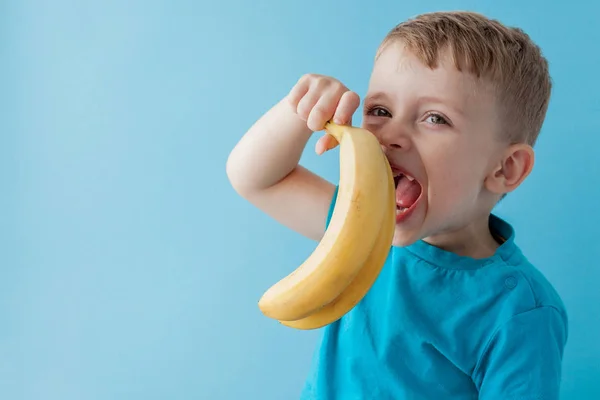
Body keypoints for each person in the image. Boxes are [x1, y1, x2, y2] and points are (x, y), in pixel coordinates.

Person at [226, 10, 568, 400]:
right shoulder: (362, 227)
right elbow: (255, 179)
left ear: (504, 169)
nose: (391, 136)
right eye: (380, 111)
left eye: (434, 118)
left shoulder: (521, 312)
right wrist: (299, 111)